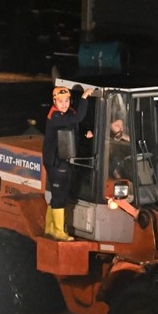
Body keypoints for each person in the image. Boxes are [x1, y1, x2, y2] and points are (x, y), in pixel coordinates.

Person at [41, 84, 93, 241]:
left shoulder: (67, 113)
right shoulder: (56, 116)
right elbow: (76, 119)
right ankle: (58, 231)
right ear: (54, 102)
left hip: (63, 159)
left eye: (66, 100)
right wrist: (84, 98)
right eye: (60, 101)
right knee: (60, 196)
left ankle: (50, 228)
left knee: (58, 195)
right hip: (56, 162)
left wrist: (85, 132)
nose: (64, 104)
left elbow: (75, 123)